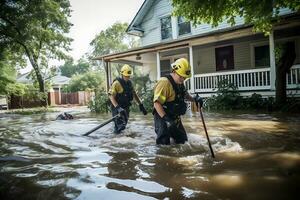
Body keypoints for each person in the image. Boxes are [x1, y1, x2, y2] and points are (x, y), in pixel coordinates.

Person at [152, 58, 203, 145]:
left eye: (185, 78)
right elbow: (157, 103)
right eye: (181, 77)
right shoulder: (164, 83)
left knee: (183, 141)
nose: (183, 80)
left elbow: (184, 94)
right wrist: (166, 120)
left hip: (175, 117)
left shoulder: (179, 82)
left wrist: (194, 99)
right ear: (174, 71)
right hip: (162, 117)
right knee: (163, 145)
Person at [108, 64, 147, 134]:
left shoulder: (129, 83)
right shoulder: (116, 83)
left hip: (126, 107)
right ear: (122, 74)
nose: (128, 77)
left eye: (129, 76)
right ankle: (114, 140)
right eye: (126, 76)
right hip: (117, 108)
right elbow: (111, 97)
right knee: (119, 126)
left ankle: (120, 140)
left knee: (124, 125)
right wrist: (118, 108)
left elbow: (134, 94)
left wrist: (141, 105)